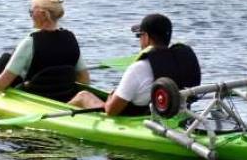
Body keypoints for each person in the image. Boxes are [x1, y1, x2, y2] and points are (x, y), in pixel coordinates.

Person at [68, 13, 200, 116]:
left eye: (139, 36)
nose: (139, 40)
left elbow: (111, 111)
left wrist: (110, 99)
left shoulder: (139, 68)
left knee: (83, 95)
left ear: (147, 37)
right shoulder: (180, 61)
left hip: (135, 118)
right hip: (172, 114)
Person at [0, 0, 90, 101]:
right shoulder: (70, 38)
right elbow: (84, 80)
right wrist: (59, 82)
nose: (30, 15)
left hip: (35, 98)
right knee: (5, 57)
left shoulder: (31, 41)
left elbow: (0, 86)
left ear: (42, 14)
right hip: (64, 95)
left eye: (31, 12)